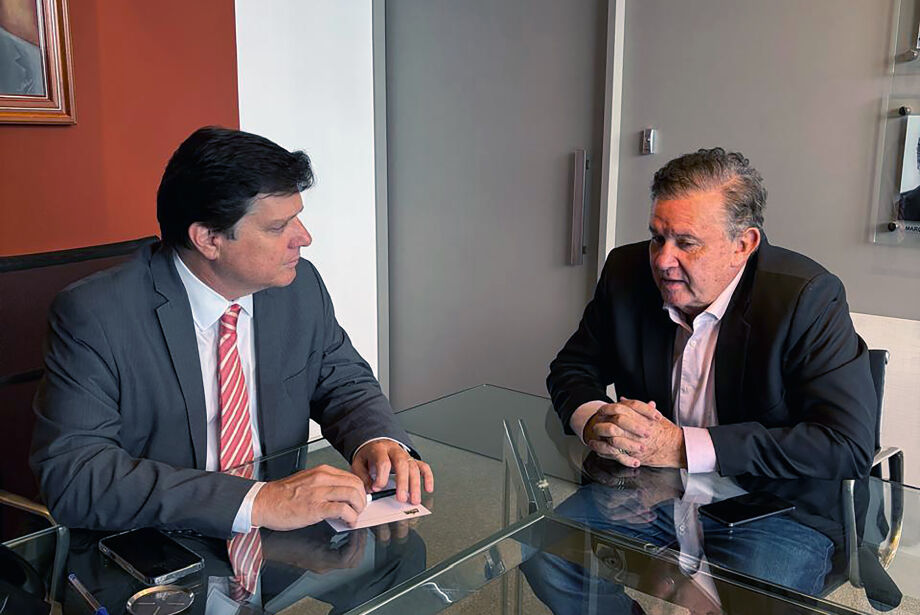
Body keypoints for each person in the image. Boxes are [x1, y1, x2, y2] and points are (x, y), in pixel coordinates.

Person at [30, 127, 433, 541]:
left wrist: (376, 439)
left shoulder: (298, 286)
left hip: (282, 540)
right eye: (278, 227)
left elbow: (343, 382)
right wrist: (257, 501)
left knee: (407, 562)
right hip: (161, 543)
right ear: (209, 239)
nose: (304, 238)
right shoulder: (96, 315)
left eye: (297, 217)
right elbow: (74, 475)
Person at [548, 147, 875, 480]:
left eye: (686, 243)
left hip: (767, 497)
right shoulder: (626, 271)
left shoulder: (806, 298)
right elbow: (572, 368)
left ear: (742, 246)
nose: (662, 260)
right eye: (657, 238)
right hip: (647, 491)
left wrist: (681, 447)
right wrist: (595, 421)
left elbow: (846, 445)